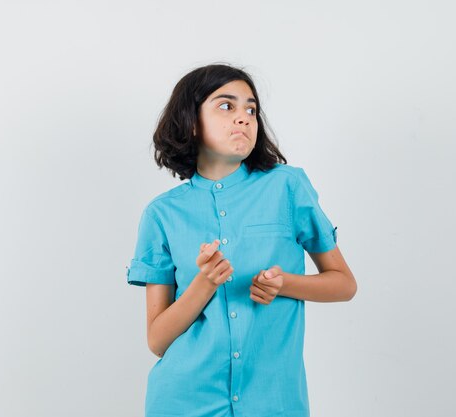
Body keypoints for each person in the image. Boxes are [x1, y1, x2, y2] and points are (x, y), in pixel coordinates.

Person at [126, 63, 357, 417]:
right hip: (185, 402)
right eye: (226, 106)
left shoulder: (288, 187)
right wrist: (205, 283)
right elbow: (157, 340)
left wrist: (284, 285)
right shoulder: (161, 215)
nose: (244, 118)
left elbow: (344, 284)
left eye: (251, 109)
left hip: (275, 402)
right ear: (191, 121)